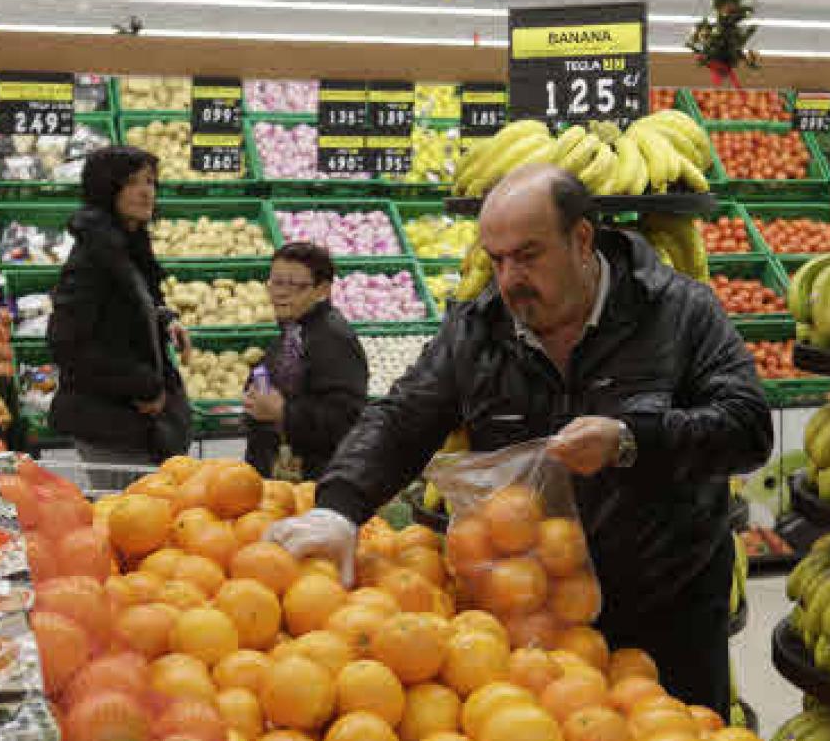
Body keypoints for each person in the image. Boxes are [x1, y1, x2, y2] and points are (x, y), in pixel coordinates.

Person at [266, 163, 773, 717]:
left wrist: (632, 438)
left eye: (528, 255)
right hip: (535, 613)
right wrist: (341, 506)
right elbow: (403, 417)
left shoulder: (678, 311)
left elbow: (747, 426)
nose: (509, 279)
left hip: (667, 611)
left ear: (582, 239)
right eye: (497, 259)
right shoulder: (479, 329)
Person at [47, 146, 192, 490]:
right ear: (106, 189)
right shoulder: (92, 259)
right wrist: (144, 386)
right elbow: (67, 343)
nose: (146, 192)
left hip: (130, 420)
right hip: (109, 423)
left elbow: (136, 299)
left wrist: (164, 319)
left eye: (150, 182)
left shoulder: (126, 242)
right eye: (132, 183)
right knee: (131, 514)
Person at [244, 242, 369, 481]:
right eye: (276, 282)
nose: (280, 293)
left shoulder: (333, 339)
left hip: (313, 483)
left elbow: (347, 418)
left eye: (294, 285)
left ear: (322, 289)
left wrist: (283, 412)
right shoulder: (297, 327)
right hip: (282, 477)